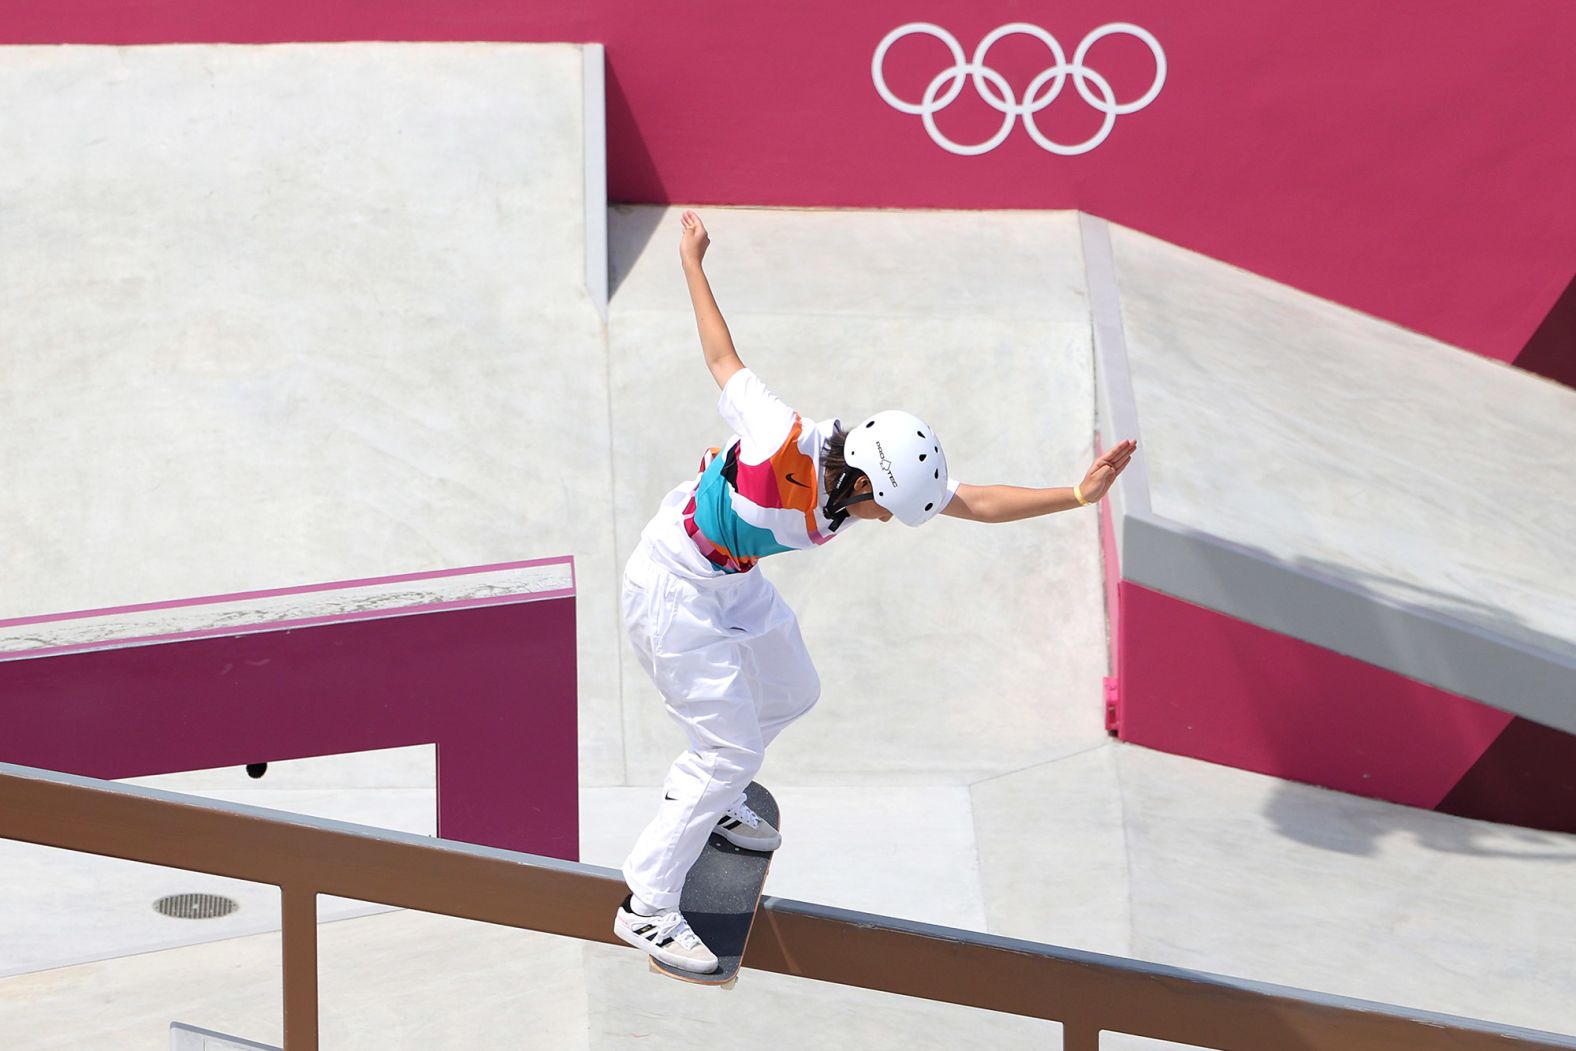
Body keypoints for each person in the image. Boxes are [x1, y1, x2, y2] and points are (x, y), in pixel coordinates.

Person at [613, 210, 1137, 972]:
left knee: (792, 687)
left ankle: (717, 793)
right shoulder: (778, 438)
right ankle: (648, 905)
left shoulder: (875, 475)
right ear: (863, 478)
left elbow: (975, 502)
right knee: (728, 747)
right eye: (884, 509)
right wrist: (692, 258)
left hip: (729, 578)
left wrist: (1077, 495)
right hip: (671, 587)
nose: (886, 522)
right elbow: (722, 357)